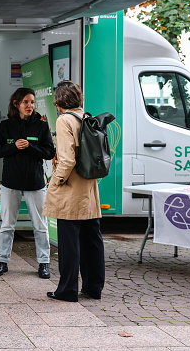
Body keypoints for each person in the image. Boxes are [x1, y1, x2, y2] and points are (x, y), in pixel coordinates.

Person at [43, 80, 105, 302]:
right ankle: (93, 287)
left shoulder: (64, 120)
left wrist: (56, 181)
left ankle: (67, 290)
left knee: (69, 242)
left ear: (59, 100)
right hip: (89, 188)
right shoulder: (86, 117)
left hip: (71, 189)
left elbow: (67, 159)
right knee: (92, 239)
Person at [0, 87, 55, 279]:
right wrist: (13, 146)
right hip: (10, 183)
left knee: (41, 226)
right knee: (7, 225)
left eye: (32, 102)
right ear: (16, 103)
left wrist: (30, 146)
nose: (29, 106)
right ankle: (2, 261)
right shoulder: (6, 126)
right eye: (26, 102)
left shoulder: (41, 126)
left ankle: (44, 263)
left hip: (35, 183)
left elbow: (49, 153)